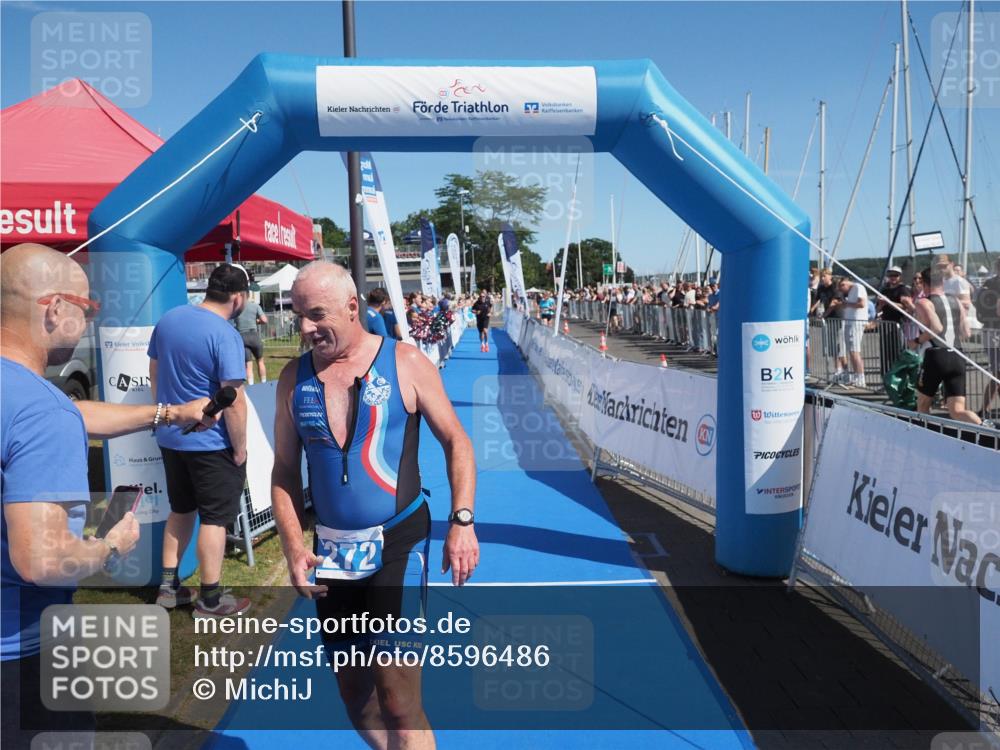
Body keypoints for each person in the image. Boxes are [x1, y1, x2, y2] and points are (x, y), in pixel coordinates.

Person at [1, 244, 217, 745]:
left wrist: (167, 413)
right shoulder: (41, 412)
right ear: (54, 309)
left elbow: (69, 416)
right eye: (87, 307)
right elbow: (42, 562)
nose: (88, 320)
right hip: (22, 654)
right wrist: (112, 544)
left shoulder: (35, 403)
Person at [270, 262, 479, 749]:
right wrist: (292, 545)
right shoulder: (291, 379)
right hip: (332, 556)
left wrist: (462, 520)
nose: (304, 327)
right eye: (298, 314)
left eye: (315, 314)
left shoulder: (404, 363)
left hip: (398, 546)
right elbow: (282, 471)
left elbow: (457, 441)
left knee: (399, 702)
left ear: (351, 306)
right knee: (356, 697)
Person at [149, 263, 252, 617]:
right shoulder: (225, 335)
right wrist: (240, 448)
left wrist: (165, 414)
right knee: (214, 518)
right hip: (211, 444)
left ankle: (167, 588)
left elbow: (155, 370)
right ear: (238, 298)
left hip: (171, 436)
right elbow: (233, 400)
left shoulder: (170, 320)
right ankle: (210, 599)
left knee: (180, 510)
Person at [914, 267, 981, 424]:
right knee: (957, 410)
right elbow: (966, 332)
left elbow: (936, 328)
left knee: (923, 404)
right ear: (942, 281)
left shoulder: (924, 302)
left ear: (924, 283)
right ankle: (986, 430)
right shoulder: (956, 300)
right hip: (957, 354)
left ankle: (925, 437)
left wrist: (917, 341)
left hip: (936, 355)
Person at [877, 265, 912, 377]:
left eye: (895, 275)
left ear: (900, 277)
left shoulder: (903, 289)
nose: (893, 277)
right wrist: (881, 305)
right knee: (885, 352)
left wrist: (888, 302)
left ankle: (898, 377)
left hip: (898, 323)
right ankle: (886, 377)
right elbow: (878, 308)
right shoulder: (885, 289)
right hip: (885, 324)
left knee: (897, 351)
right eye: (891, 275)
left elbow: (905, 307)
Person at [976, 257, 1000, 420]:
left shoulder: (989, 285)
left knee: (997, 374)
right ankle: (983, 408)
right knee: (997, 374)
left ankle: (984, 408)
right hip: (994, 333)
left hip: (991, 331)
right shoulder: (991, 285)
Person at [232, 290, 269, 384]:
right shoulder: (255, 306)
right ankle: (264, 383)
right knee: (260, 361)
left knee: (248, 365)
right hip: (254, 336)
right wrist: (257, 321)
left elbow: (233, 322)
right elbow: (264, 320)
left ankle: (251, 386)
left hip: (242, 337)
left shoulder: (236, 308)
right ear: (249, 295)